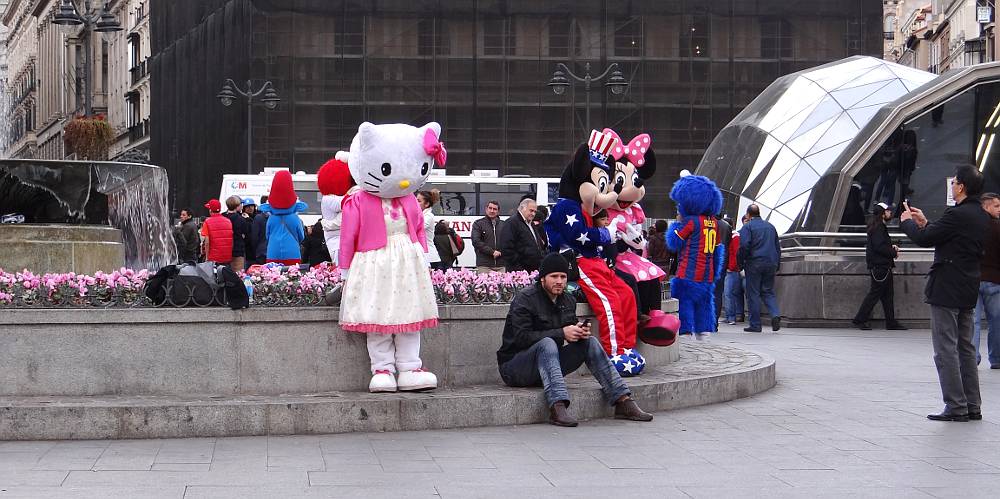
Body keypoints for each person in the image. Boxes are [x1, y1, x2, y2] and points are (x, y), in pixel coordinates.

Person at [497, 253, 654, 427]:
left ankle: (622, 400)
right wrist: (561, 333)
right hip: (515, 368)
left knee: (590, 342)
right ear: (542, 279)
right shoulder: (525, 299)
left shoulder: (567, 299)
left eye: (563, 277)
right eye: (554, 276)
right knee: (548, 343)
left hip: (546, 365)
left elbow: (569, 327)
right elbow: (521, 338)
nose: (559, 281)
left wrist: (579, 331)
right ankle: (557, 407)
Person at [900, 165, 990, 422]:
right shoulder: (981, 215)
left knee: (945, 349)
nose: (952, 186)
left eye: (954, 183)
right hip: (968, 287)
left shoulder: (958, 214)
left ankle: (955, 406)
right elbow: (945, 237)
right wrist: (925, 222)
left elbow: (926, 239)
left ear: (960, 186)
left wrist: (908, 223)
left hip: (947, 288)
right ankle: (972, 405)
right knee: (966, 348)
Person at [852, 203, 907, 331]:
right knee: (875, 294)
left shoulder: (878, 226)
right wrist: (893, 253)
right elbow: (879, 247)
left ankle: (891, 322)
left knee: (887, 295)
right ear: (883, 213)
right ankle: (860, 319)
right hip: (880, 267)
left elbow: (881, 245)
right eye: (888, 211)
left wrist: (891, 248)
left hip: (881, 266)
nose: (890, 213)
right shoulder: (879, 228)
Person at [738, 204, 781, 332]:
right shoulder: (771, 227)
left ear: (748, 215)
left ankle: (755, 324)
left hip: (754, 263)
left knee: (754, 293)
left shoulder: (748, 227)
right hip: (771, 263)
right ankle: (775, 315)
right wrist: (777, 264)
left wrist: (741, 263)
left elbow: (744, 246)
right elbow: (777, 247)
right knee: (768, 291)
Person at [973, 192, 1000, 368]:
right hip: (995, 280)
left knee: (973, 321)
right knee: (996, 321)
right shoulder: (998, 227)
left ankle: (972, 357)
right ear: (985, 206)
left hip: (972, 279)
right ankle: (996, 358)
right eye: (997, 206)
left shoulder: (972, 226)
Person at [499, 198, 543, 272]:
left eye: (535, 212)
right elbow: (507, 248)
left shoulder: (531, 224)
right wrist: (519, 269)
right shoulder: (511, 223)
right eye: (531, 210)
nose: (533, 214)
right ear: (522, 208)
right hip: (519, 273)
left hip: (533, 270)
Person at [472, 200, 505, 272]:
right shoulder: (478, 224)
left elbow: (508, 242)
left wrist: (501, 252)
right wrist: (492, 252)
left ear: (498, 212)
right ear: (486, 209)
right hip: (484, 266)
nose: (492, 211)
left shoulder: (504, 224)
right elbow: (476, 241)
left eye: (495, 209)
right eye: (490, 208)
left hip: (501, 266)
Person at [723, 217, 744, 325]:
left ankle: (731, 317)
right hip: (732, 268)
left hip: (732, 269)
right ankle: (733, 315)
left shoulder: (734, 237)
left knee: (729, 293)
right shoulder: (733, 237)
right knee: (733, 293)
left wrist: (731, 267)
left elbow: (736, 254)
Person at [416, 189, 443, 270]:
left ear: (427, 204)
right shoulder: (421, 215)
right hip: (421, 255)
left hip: (429, 257)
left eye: (419, 201)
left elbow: (417, 227)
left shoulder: (429, 216)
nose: (415, 203)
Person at [223, 196, 251, 273]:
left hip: (224, 251)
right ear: (237, 206)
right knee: (238, 275)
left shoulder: (223, 217)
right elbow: (247, 235)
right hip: (237, 250)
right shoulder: (241, 219)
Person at [201, 198, 233, 266]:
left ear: (210, 210)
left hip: (213, 258)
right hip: (227, 257)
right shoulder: (228, 221)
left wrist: (207, 257)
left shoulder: (207, 222)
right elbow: (231, 239)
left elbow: (207, 242)